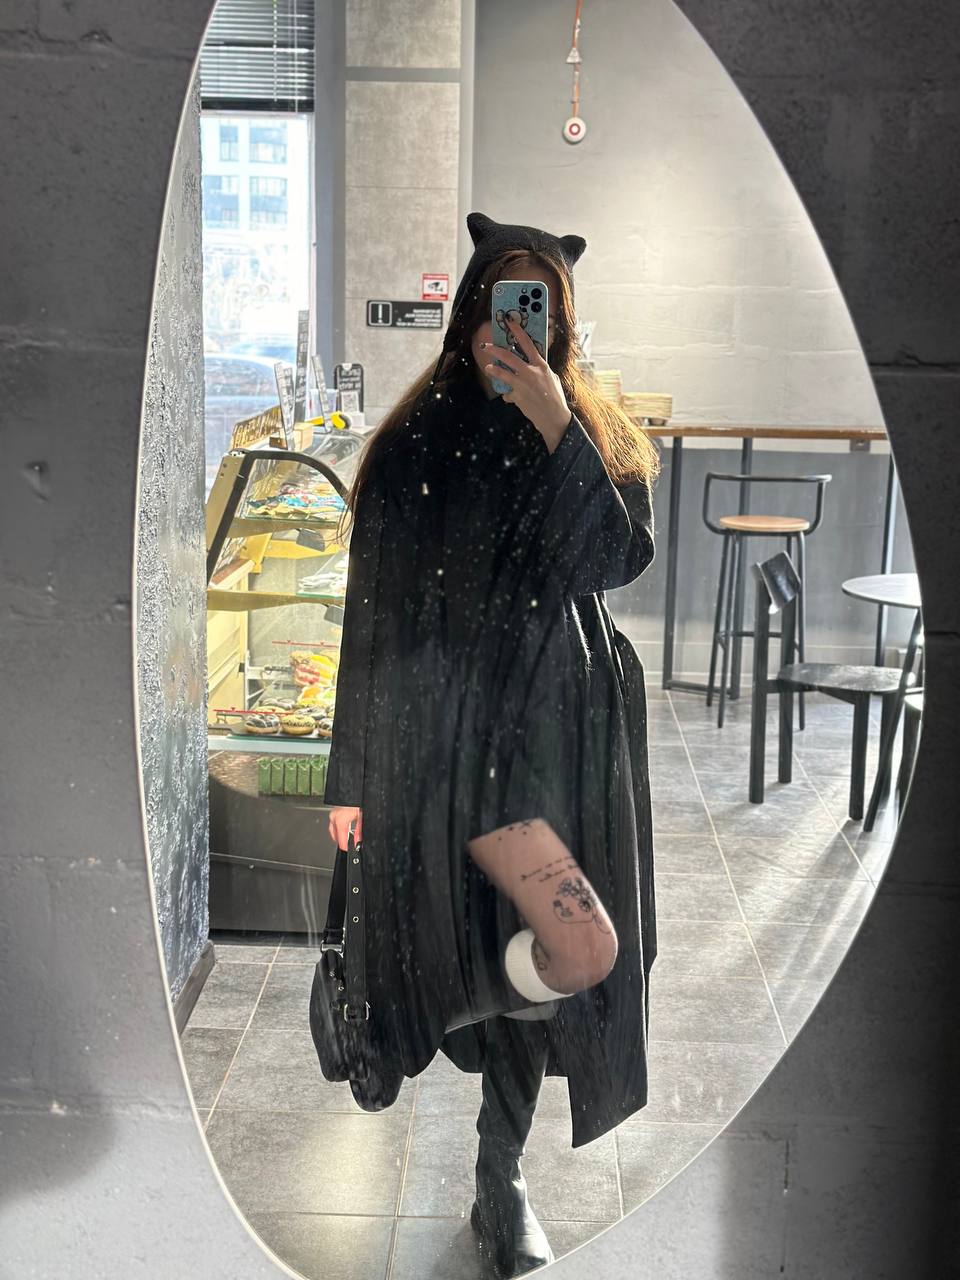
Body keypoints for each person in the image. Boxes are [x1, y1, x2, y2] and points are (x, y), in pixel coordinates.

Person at [324, 211, 660, 1277]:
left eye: (542, 312)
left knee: (575, 949)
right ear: (470, 312)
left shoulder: (589, 437)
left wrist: (557, 419)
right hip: (442, 757)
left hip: (553, 755)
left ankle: (497, 1169)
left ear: (561, 328)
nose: (518, 328)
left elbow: (615, 557)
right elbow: (372, 620)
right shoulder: (415, 446)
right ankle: (482, 1121)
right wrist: (349, 783)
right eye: (504, 305)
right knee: (496, 948)